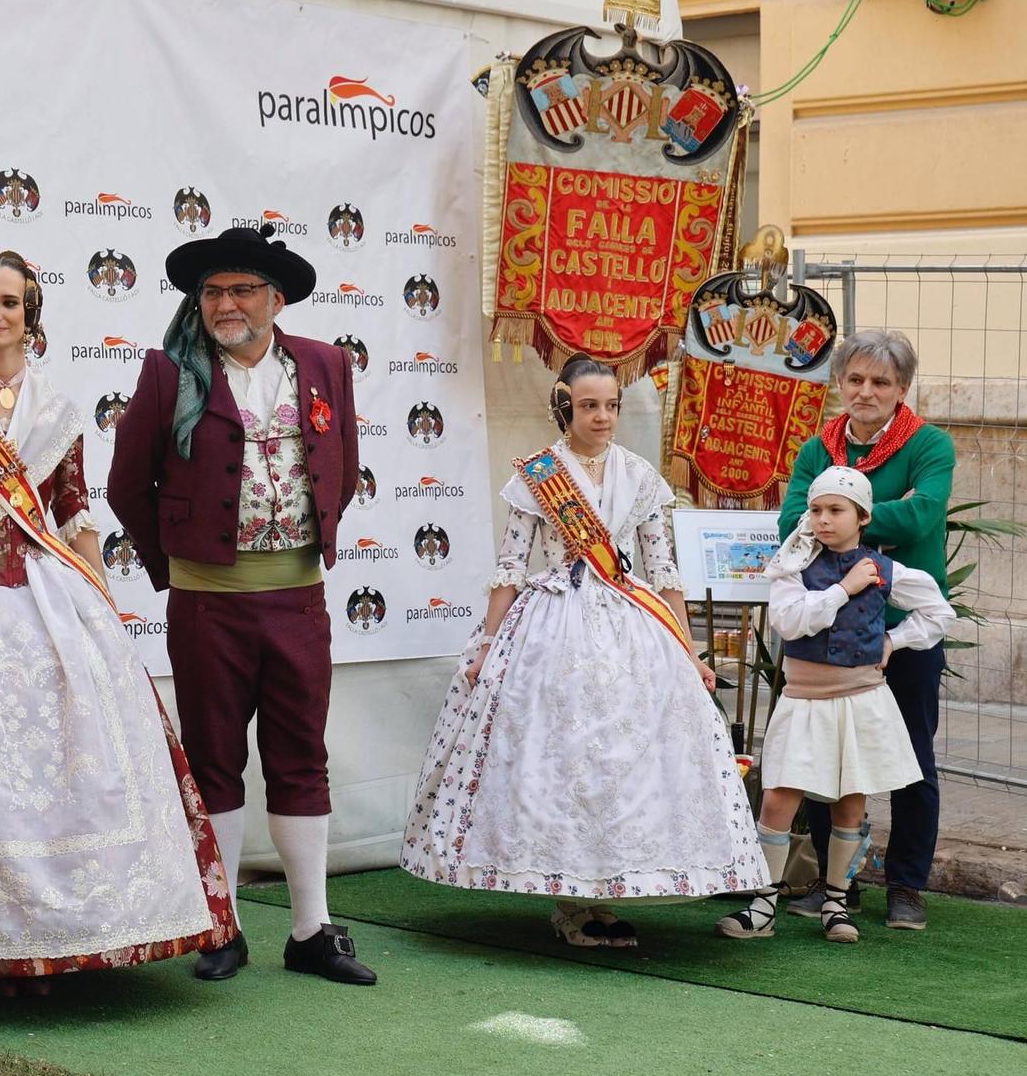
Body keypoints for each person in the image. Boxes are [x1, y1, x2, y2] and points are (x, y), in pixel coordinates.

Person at [0, 251, 236, 988]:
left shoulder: (59, 409)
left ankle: (78, 926)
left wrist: (101, 596)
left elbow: (73, 511)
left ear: (31, 314)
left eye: (8, 302)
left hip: (47, 590)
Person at [400, 355, 768, 946]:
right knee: (562, 758)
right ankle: (568, 901)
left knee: (622, 765)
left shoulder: (642, 475)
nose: (603, 417)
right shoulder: (539, 474)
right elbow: (510, 565)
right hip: (553, 625)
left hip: (632, 626)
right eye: (590, 405)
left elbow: (663, 568)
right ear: (566, 404)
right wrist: (488, 643)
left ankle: (605, 894)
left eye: (612, 405)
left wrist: (690, 649)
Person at [108, 223, 374, 986]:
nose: (226, 303)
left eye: (243, 289)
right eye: (215, 290)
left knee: (301, 756)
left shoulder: (325, 365)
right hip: (207, 606)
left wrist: (302, 542)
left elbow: (344, 467)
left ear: (275, 298)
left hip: (299, 600)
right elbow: (129, 484)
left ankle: (310, 928)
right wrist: (179, 570)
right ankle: (221, 924)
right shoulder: (169, 371)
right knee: (215, 757)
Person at [716, 468, 953, 943]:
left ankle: (836, 903)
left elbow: (938, 612)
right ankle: (762, 905)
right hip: (804, 698)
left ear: (862, 517)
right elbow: (789, 622)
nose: (823, 519)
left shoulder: (885, 570)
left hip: (861, 697)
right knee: (781, 794)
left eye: (836, 510)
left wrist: (894, 639)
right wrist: (844, 589)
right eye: (817, 510)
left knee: (851, 798)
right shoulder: (794, 565)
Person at [779, 330, 955, 932]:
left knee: (912, 757)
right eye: (855, 379)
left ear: (902, 388)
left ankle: (907, 886)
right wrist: (868, 515)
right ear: (840, 385)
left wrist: (844, 513)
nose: (866, 391)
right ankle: (838, 888)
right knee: (830, 760)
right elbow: (792, 522)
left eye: (881, 382)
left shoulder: (931, 445)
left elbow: (924, 514)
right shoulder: (816, 447)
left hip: (899, 629)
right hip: (829, 630)